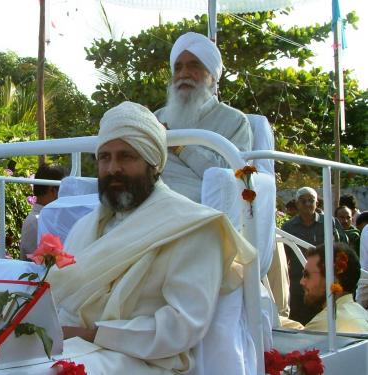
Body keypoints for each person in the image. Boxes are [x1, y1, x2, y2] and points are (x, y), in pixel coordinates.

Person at [47, 101, 256, 374]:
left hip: (144, 361)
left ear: (154, 164)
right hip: (70, 346)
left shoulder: (194, 226)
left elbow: (182, 325)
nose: (112, 169)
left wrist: (91, 334)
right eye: (105, 157)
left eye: (127, 156)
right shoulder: (85, 227)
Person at [154, 32, 252, 203]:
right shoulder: (157, 117)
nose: (183, 74)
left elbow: (233, 175)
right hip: (148, 203)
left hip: (201, 211)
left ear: (213, 76)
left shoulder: (235, 121)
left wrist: (180, 146)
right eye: (178, 68)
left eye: (194, 66)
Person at [281, 187, 346, 325]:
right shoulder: (288, 227)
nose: (307, 204)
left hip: (326, 284)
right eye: (303, 201)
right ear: (297, 204)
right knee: (299, 325)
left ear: (317, 203)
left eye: (311, 200)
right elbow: (283, 258)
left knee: (327, 324)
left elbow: (343, 249)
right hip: (299, 286)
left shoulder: (329, 222)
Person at [301, 244, 368, 333]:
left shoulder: (326, 323)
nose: (302, 281)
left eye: (307, 275)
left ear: (332, 279)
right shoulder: (362, 315)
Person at [20, 164, 66, 260]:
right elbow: (37, 262)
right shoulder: (35, 221)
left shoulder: (43, 218)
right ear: (53, 191)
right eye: (64, 190)